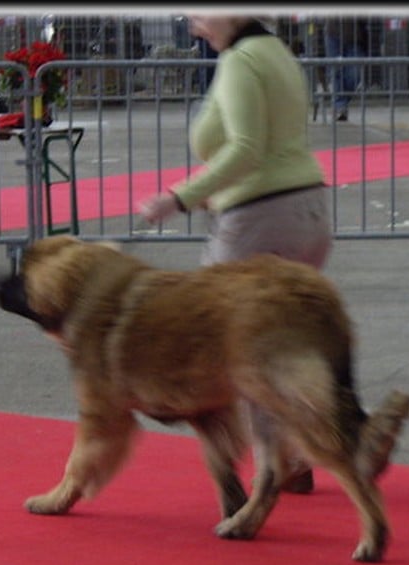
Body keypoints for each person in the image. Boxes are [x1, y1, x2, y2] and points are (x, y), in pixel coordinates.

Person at [140, 15, 333, 494]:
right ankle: (313, 446)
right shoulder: (276, 53)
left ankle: (270, 462)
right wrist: (214, 194)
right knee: (277, 347)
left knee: (228, 346)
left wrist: (178, 197)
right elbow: (267, 146)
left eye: (199, 16)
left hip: (259, 223)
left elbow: (246, 150)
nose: (193, 28)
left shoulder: (241, 60)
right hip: (304, 213)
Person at [323, 17, 368, 121]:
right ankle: (340, 106)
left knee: (354, 73)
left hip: (354, 34)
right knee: (336, 71)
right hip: (332, 31)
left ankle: (340, 102)